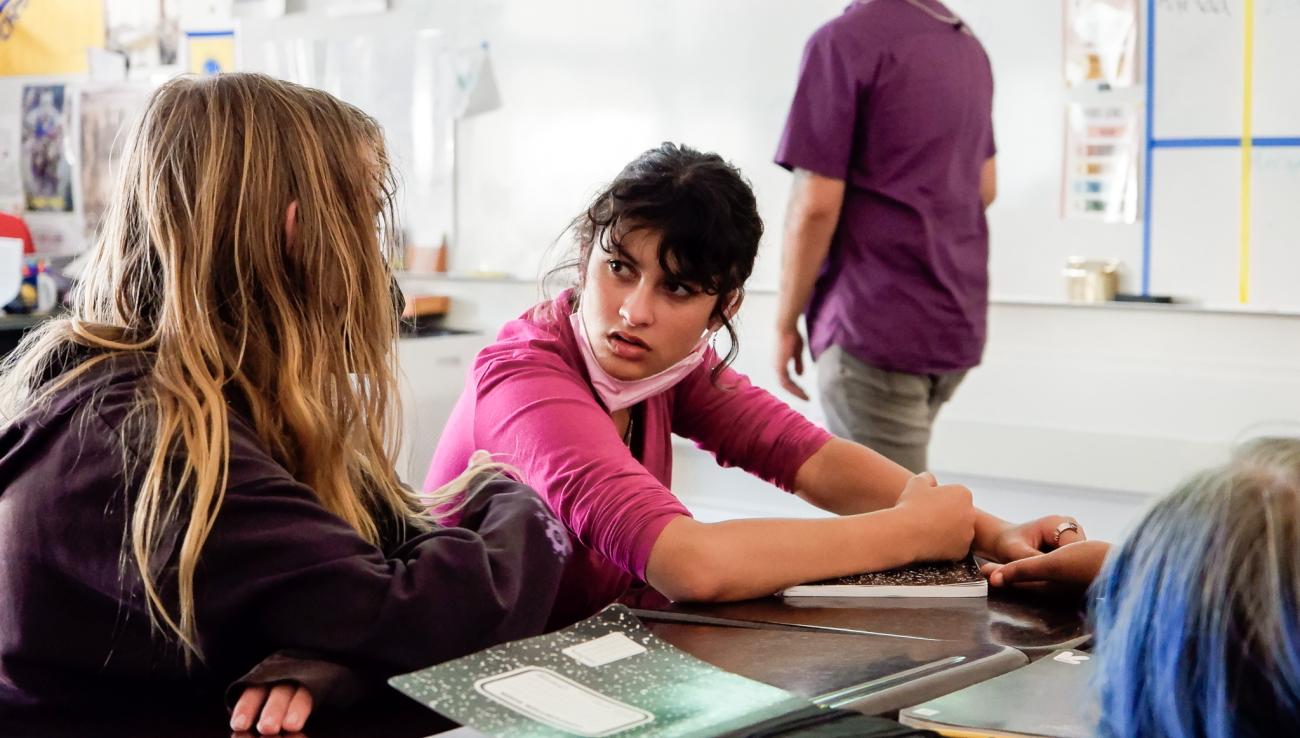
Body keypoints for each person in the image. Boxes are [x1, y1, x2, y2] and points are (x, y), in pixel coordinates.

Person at [0, 74, 567, 735]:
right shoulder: (145, 439)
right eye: (365, 225)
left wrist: (346, 663)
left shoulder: (206, 398)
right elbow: (434, 613)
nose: (377, 273)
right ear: (297, 232)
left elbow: (384, 570)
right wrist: (511, 492)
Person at [425, 142, 1083, 627]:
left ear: (725, 307)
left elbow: (810, 460)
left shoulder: (662, 367)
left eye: (677, 287)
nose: (635, 311)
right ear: (586, 253)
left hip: (582, 654)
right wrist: (913, 533)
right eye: (619, 268)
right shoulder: (525, 380)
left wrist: (997, 537)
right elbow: (691, 564)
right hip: (469, 689)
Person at [773, 0, 998, 473]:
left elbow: (815, 205)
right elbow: (985, 187)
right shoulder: (966, 45)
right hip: (951, 322)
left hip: (873, 328)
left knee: (897, 533)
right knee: (903, 515)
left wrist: (783, 321)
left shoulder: (843, 42)